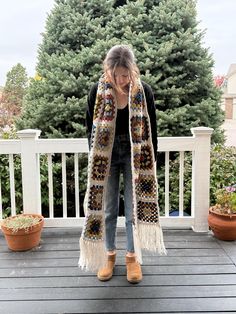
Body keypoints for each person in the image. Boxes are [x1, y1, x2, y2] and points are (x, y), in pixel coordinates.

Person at [79, 44, 166, 283]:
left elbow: (152, 129)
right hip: (105, 157)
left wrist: (152, 159)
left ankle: (131, 258)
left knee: (133, 210)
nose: (121, 80)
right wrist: (95, 155)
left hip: (135, 155)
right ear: (109, 70)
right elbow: (90, 129)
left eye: (125, 75)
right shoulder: (96, 91)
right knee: (107, 210)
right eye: (116, 74)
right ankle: (108, 256)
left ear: (132, 70)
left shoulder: (143, 91)